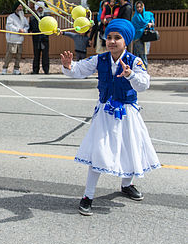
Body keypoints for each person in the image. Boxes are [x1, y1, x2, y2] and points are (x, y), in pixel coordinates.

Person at [60, 19, 160, 216]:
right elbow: (80, 70)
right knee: (98, 150)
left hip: (127, 113)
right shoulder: (100, 59)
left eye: (117, 38)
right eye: (109, 37)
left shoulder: (134, 61)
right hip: (105, 114)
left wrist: (130, 74)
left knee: (129, 148)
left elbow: (144, 84)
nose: (112, 41)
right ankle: (88, 196)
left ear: (126, 41)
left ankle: (127, 184)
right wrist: (69, 66)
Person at [2, 2, 29, 75]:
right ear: (15, 8)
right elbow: (9, 26)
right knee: (9, 54)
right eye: (19, 7)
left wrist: (24, 30)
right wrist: (18, 30)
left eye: (21, 7)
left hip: (20, 40)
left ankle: (16, 69)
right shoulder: (11, 17)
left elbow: (27, 26)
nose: (20, 8)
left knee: (18, 55)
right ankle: (5, 68)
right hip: (12, 39)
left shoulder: (23, 18)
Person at [131, 1, 155, 69]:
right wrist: (145, 26)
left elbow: (153, 23)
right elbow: (135, 28)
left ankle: (144, 71)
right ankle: (139, 70)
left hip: (146, 37)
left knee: (144, 54)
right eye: (137, 7)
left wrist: (150, 24)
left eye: (140, 7)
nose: (139, 8)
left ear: (143, 7)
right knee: (139, 55)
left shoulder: (148, 15)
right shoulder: (135, 18)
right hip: (138, 38)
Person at [29, 1, 50, 74]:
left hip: (45, 39)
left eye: (41, 8)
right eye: (39, 8)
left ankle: (46, 70)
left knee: (45, 56)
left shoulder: (47, 18)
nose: (40, 10)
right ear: (36, 9)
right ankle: (35, 70)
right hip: (36, 40)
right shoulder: (32, 18)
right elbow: (30, 29)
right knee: (36, 55)